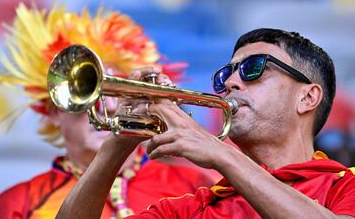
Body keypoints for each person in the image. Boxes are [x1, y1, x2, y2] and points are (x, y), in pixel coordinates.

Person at [56, 28, 355, 219]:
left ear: (307, 98)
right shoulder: (194, 208)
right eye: (226, 75)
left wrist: (221, 153)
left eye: (254, 68)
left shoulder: (345, 186)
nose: (232, 83)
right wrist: (117, 145)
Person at [0, 3, 214, 219]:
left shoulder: (195, 185)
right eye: (85, 92)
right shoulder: (17, 204)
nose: (108, 106)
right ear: (53, 111)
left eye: (118, 92)